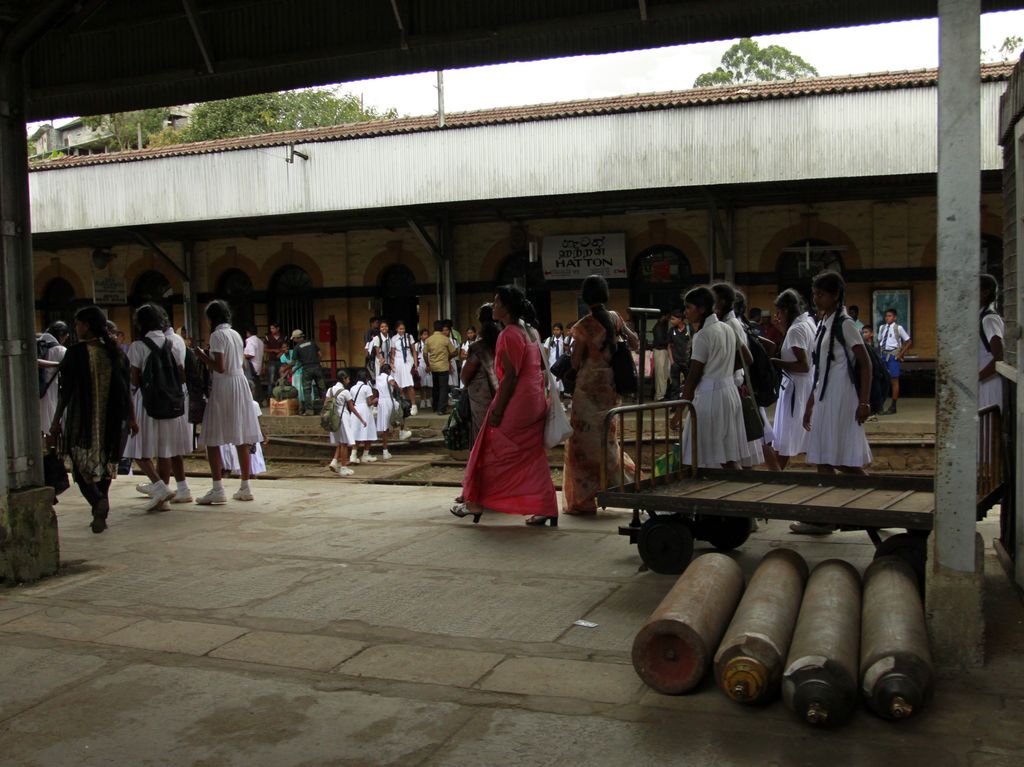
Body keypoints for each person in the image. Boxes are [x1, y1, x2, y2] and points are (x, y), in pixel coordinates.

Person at [451, 285, 558, 527]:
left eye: (497, 302)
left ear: (507, 308)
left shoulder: (509, 334)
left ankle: (475, 502)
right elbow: (540, 367)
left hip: (517, 403)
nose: (494, 306)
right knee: (532, 457)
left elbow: (509, 377)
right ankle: (546, 507)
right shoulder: (531, 331)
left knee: (488, 452)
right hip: (535, 400)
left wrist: (498, 410)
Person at [49, 306, 136, 533]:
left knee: (79, 469)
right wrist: (133, 418)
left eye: (77, 324)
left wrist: (56, 420)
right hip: (113, 421)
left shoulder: (76, 353)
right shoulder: (116, 352)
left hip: (83, 421)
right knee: (106, 466)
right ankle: (100, 509)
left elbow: (66, 391)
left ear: (86, 325)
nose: (75, 328)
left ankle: (98, 503)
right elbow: (127, 390)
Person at [562, 275, 639, 514]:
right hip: (609, 389)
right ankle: (621, 483)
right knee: (607, 441)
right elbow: (635, 342)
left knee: (581, 445)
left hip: (586, 391)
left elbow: (575, 363)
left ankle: (584, 499)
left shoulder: (582, 326)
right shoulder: (615, 318)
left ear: (585, 297)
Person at [800, 270, 873, 499]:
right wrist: (811, 401)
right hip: (825, 395)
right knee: (823, 457)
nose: (816, 299)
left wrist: (864, 402)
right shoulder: (824, 322)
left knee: (839, 457)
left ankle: (873, 496)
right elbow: (820, 367)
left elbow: (865, 363)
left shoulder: (845, 324)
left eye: (820, 294)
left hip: (842, 396)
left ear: (835, 295)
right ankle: (828, 510)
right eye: (814, 294)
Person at [193, 300, 264, 504]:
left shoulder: (217, 335)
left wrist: (202, 355)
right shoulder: (236, 334)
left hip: (224, 386)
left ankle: (217, 488)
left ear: (211, 318)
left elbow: (220, 366)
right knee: (241, 436)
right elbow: (237, 362)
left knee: (213, 437)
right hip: (240, 383)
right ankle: (245, 486)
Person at [125, 304, 192, 511]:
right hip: (172, 402)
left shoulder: (138, 346)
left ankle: (159, 487)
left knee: (137, 449)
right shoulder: (174, 343)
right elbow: (181, 374)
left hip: (147, 403)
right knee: (166, 449)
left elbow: (133, 379)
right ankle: (164, 493)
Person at [676, 286, 747, 469]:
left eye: (689, 308)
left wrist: (679, 411)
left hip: (710, 398)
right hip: (729, 393)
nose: (686, 313)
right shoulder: (726, 328)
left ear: (701, 309)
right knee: (727, 453)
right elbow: (744, 359)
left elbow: (693, 377)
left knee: (694, 451)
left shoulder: (703, 335)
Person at [712, 283, 765, 469]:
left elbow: (745, 358)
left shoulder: (730, 324)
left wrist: (723, 370)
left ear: (723, 302)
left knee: (732, 450)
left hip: (731, 385)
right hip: (731, 385)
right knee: (736, 448)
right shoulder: (726, 322)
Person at [770, 289, 815, 470]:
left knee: (785, 437)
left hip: (796, 386)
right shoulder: (808, 323)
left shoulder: (796, 329)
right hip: (806, 385)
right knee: (790, 436)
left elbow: (802, 365)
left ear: (786, 311)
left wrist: (774, 362)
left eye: (779, 312)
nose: (778, 316)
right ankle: (777, 473)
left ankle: (776, 475)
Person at [460, 303, 500, 441]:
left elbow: (465, 376)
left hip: (481, 397)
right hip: (503, 394)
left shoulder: (478, 347)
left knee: (482, 436)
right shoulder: (504, 340)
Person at [325, 370, 364, 476]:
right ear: (344, 379)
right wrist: (361, 419)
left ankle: (334, 461)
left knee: (340, 442)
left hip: (333, 418)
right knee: (344, 443)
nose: (349, 380)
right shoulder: (345, 392)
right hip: (343, 418)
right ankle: (343, 467)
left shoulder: (330, 390)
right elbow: (352, 408)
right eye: (347, 378)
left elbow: (326, 404)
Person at [876, 308, 911, 415]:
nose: (887, 318)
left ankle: (893, 405)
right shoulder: (882, 328)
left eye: (890, 316)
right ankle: (880, 405)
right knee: (881, 379)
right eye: (886, 316)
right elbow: (879, 341)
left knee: (894, 380)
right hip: (883, 355)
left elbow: (908, 341)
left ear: (894, 317)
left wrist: (901, 354)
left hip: (892, 356)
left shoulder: (898, 328)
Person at [38, 321, 69, 438]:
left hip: (33, 392)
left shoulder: (36, 344)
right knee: (51, 426)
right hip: (50, 391)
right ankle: (51, 454)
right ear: (61, 334)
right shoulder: (61, 350)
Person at [220, 400, 267, 477]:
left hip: (239, 436)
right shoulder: (253, 404)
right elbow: (257, 422)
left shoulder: (233, 404)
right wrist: (263, 435)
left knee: (230, 467)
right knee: (250, 466)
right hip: (247, 436)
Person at [979, 273, 1005, 413]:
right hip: (984, 381)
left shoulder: (988, 319)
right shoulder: (980, 317)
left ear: (985, 293)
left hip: (988, 382)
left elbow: (999, 355)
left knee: (989, 427)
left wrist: (977, 377)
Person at [346, 368, 378, 464]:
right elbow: (369, 403)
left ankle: (353, 455)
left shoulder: (352, 388)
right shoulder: (367, 388)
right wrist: (375, 400)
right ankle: (365, 454)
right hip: (365, 411)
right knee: (369, 433)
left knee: (356, 433)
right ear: (366, 378)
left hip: (355, 411)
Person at [291, 328, 327, 414]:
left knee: (307, 390)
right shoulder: (312, 343)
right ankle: (326, 409)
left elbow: (293, 362)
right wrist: (317, 362)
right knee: (322, 388)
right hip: (317, 368)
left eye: (294, 338)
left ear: (297, 338)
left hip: (307, 370)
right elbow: (320, 354)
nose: (294, 340)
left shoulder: (297, 347)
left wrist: (287, 369)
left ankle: (309, 410)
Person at [425, 320, 457, 415]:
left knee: (435, 387)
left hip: (434, 367)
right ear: (441, 328)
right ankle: (441, 409)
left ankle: (435, 407)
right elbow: (455, 352)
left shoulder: (429, 339)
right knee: (443, 388)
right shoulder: (445, 339)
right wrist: (448, 357)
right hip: (443, 366)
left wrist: (428, 365)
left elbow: (424, 354)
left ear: (434, 328)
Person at [390, 320, 418, 415]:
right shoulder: (394, 339)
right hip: (398, 362)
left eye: (403, 328)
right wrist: (392, 364)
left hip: (408, 361)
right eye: (400, 329)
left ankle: (414, 405)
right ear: (396, 329)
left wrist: (415, 363)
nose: (402, 330)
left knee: (409, 384)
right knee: (400, 385)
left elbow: (414, 351)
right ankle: (404, 405)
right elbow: (392, 353)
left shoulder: (409, 337)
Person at [374, 363, 401, 461]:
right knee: (399, 413)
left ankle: (385, 450)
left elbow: (376, 390)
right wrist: (398, 387)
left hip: (381, 402)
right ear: (388, 370)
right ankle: (401, 431)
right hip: (388, 401)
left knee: (384, 427)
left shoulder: (378, 378)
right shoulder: (389, 377)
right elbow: (393, 384)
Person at [543, 323, 570, 396]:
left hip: (561, 365)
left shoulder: (565, 340)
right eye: (554, 330)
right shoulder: (549, 339)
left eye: (557, 330)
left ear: (561, 331)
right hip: (551, 365)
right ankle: (550, 401)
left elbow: (568, 352)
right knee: (550, 384)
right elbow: (545, 352)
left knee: (561, 385)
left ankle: (561, 402)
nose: (555, 331)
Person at [667, 309, 689, 397]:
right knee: (675, 385)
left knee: (689, 383)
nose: (671, 321)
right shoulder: (671, 331)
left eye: (673, 319)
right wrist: (672, 361)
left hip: (686, 361)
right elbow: (669, 346)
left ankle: (689, 402)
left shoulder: (689, 328)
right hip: (675, 362)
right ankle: (674, 405)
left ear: (680, 319)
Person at [651, 310, 671, 401]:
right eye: (667, 317)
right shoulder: (659, 326)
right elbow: (660, 341)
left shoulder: (662, 325)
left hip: (663, 350)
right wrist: (671, 342)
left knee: (664, 374)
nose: (668, 319)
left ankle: (661, 394)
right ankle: (659, 396)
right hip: (660, 350)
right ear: (663, 316)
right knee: (660, 374)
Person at [263, 322, 286, 404]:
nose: (271, 330)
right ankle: (270, 399)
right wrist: (274, 350)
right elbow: (265, 349)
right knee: (271, 380)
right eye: (271, 328)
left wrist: (280, 353)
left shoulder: (283, 337)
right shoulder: (267, 337)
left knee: (282, 379)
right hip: (271, 360)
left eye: (273, 328)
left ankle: (282, 398)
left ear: (278, 328)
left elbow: (285, 347)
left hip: (281, 361)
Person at [243, 325, 265, 399]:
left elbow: (251, 354)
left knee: (252, 384)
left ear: (248, 332)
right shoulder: (260, 341)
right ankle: (260, 399)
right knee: (257, 382)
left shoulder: (250, 340)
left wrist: (242, 356)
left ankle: (254, 399)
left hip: (251, 366)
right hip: (258, 365)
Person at [415, 328, 432, 411]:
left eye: (427, 334)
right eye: (424, 334)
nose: (426, 336)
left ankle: (428, 399)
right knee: (422, 384)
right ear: (421, 336)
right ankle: (422, 400)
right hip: (421, 364)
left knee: (429, 383)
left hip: (430, 364)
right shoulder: (417, 345)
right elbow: (415, 355)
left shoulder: (431, 344)